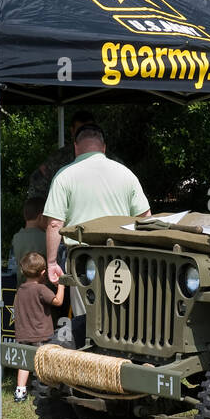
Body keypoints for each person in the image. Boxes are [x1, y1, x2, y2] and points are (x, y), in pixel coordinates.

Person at [43, 124, 150, 347]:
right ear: (103, 147)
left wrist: (52, 261)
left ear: (75, 147)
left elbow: (54, 223)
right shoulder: (126, 173)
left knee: (86, 321)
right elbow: (146, 218)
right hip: (123, 257)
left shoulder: (64, 176)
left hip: (83, 258)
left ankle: (89, 371)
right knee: (122, 315)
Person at [12, 251, 65, 401]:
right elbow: (58, 301)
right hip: (41, 335)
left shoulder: (21, 289)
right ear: (43, 272)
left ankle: (20, 391)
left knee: (24, 363)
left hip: (23, 334)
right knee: (42, 363)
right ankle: (42, 390)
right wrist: (61, 285)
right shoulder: (41, 289)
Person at [27, 110, 97, 201]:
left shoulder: (111, 161)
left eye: (88, 131)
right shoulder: (58, 160)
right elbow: (36, 193)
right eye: (80, 131)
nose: (84, 136)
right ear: (72, 131)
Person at [9, 197, 48, 274]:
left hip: (21, 284)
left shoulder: (16, 237)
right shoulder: (46, 238)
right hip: (43, 285)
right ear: (41, 217)